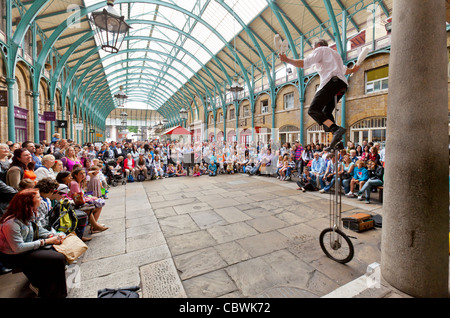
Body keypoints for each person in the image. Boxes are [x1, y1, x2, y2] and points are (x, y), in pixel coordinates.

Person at [280, 38, 360, 149]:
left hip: (332, 82)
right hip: (342, 85)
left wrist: (287, 60)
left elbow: (304, 63)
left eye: (313, 48)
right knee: (326, 112)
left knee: (313, 110)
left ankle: (336, 129)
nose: (313, 50)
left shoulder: (321, 50)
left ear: (317, 45)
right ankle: (338, 141)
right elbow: (344, 69)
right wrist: (353, 70)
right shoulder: (335, 55)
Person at [0, 188, 67, 298]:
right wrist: (45, 241)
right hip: (13, 255)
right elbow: (18, 248)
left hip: (28, 247)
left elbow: (39, 230)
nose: (41, 199)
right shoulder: (11, 223)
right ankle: (46, 290)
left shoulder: (31, 213)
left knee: (58, 256)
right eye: (38, 197)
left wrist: (52, 236)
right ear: (28, 202)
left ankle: (56, 291)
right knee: (56, 258)